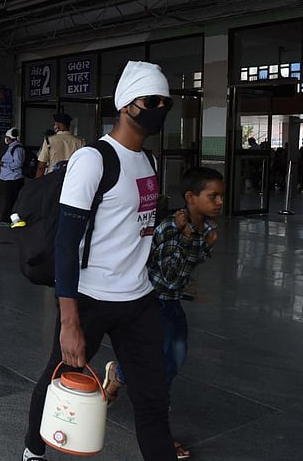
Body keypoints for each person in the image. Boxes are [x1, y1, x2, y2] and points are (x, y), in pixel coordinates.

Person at [22, 60, 178, 461]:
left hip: (137, 299)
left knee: (152, 399)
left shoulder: (150, 162)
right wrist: (69, 322)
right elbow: (67, 246)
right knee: (56, 376)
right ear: (127, 105)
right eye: (152, 100)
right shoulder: (94, 160)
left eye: (166, 101)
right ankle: (32, 451)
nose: (161, 107)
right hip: (89, 299)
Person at [103, 167, 223, 461]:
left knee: (175, 358)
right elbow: (168, 274)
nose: (220, 201)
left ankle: (118, 374)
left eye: (221, 196)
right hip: (151, 301)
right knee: (162, 368)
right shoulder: (171, 226)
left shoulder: (207, 230)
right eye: (213, 196)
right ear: (191, 198)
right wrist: (185, 238)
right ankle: (160, 436)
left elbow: (187, 271)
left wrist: (200, 245)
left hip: (171, 302)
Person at [35, 112, 86, 177]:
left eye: (55, 125)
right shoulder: (80, 141)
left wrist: (37, 183)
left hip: (52, 178)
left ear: (57, 126)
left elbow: (41, 166)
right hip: (71, 177)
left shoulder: (49, 141)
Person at [0, 127, 25, 228]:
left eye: (7, 137)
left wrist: (3, 164)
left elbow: (18, 163)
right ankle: (11, 220)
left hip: (14, 179)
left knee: (10, 201)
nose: (5, 139)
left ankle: (7, 221)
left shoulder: (17, 148)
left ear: (9, 138)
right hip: (10, 178)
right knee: (10, 200)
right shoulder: (12, 147)